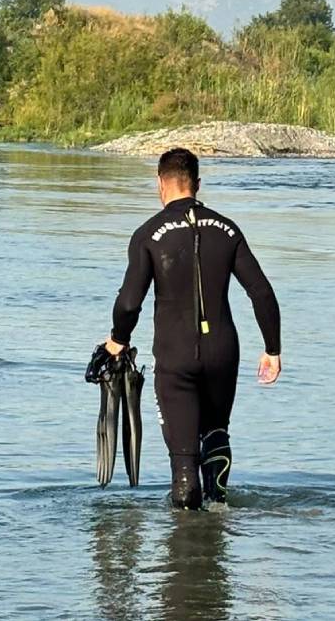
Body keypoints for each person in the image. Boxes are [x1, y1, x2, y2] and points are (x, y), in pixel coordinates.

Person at [104, 148, 282, 510]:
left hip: (175, 358)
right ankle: (218, 519)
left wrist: (117, 341)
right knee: (216, 435)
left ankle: (189, 544)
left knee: (184, 461)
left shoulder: (148, 234)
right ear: (198, 184)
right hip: (223, 354)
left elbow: (128, 304)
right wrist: (272, 349)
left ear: (159, 183)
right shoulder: (228, 229)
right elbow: (262, 292)